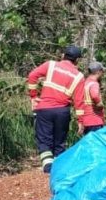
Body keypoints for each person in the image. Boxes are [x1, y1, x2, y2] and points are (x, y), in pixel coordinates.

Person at [26, 45, 85, 173]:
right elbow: (79, 101)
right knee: (60, 141)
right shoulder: (79, 76)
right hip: (62, 111)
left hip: (44, 109)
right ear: (77, 61)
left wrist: (33, 96)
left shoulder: (51, 65)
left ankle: (48, 167)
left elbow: (32, 76)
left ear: (63, 56)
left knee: (44, 139)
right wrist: (80, 121)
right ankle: (59, 167)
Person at [78, 61, 106, 136]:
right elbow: (94, 95)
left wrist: (80, 121)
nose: (102, 74)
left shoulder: (84, 83)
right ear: (98, 72)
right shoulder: (94, 83)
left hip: (86, 121)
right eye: (102, 72)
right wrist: (99, 103)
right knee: (96, 145)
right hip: (95, 120)